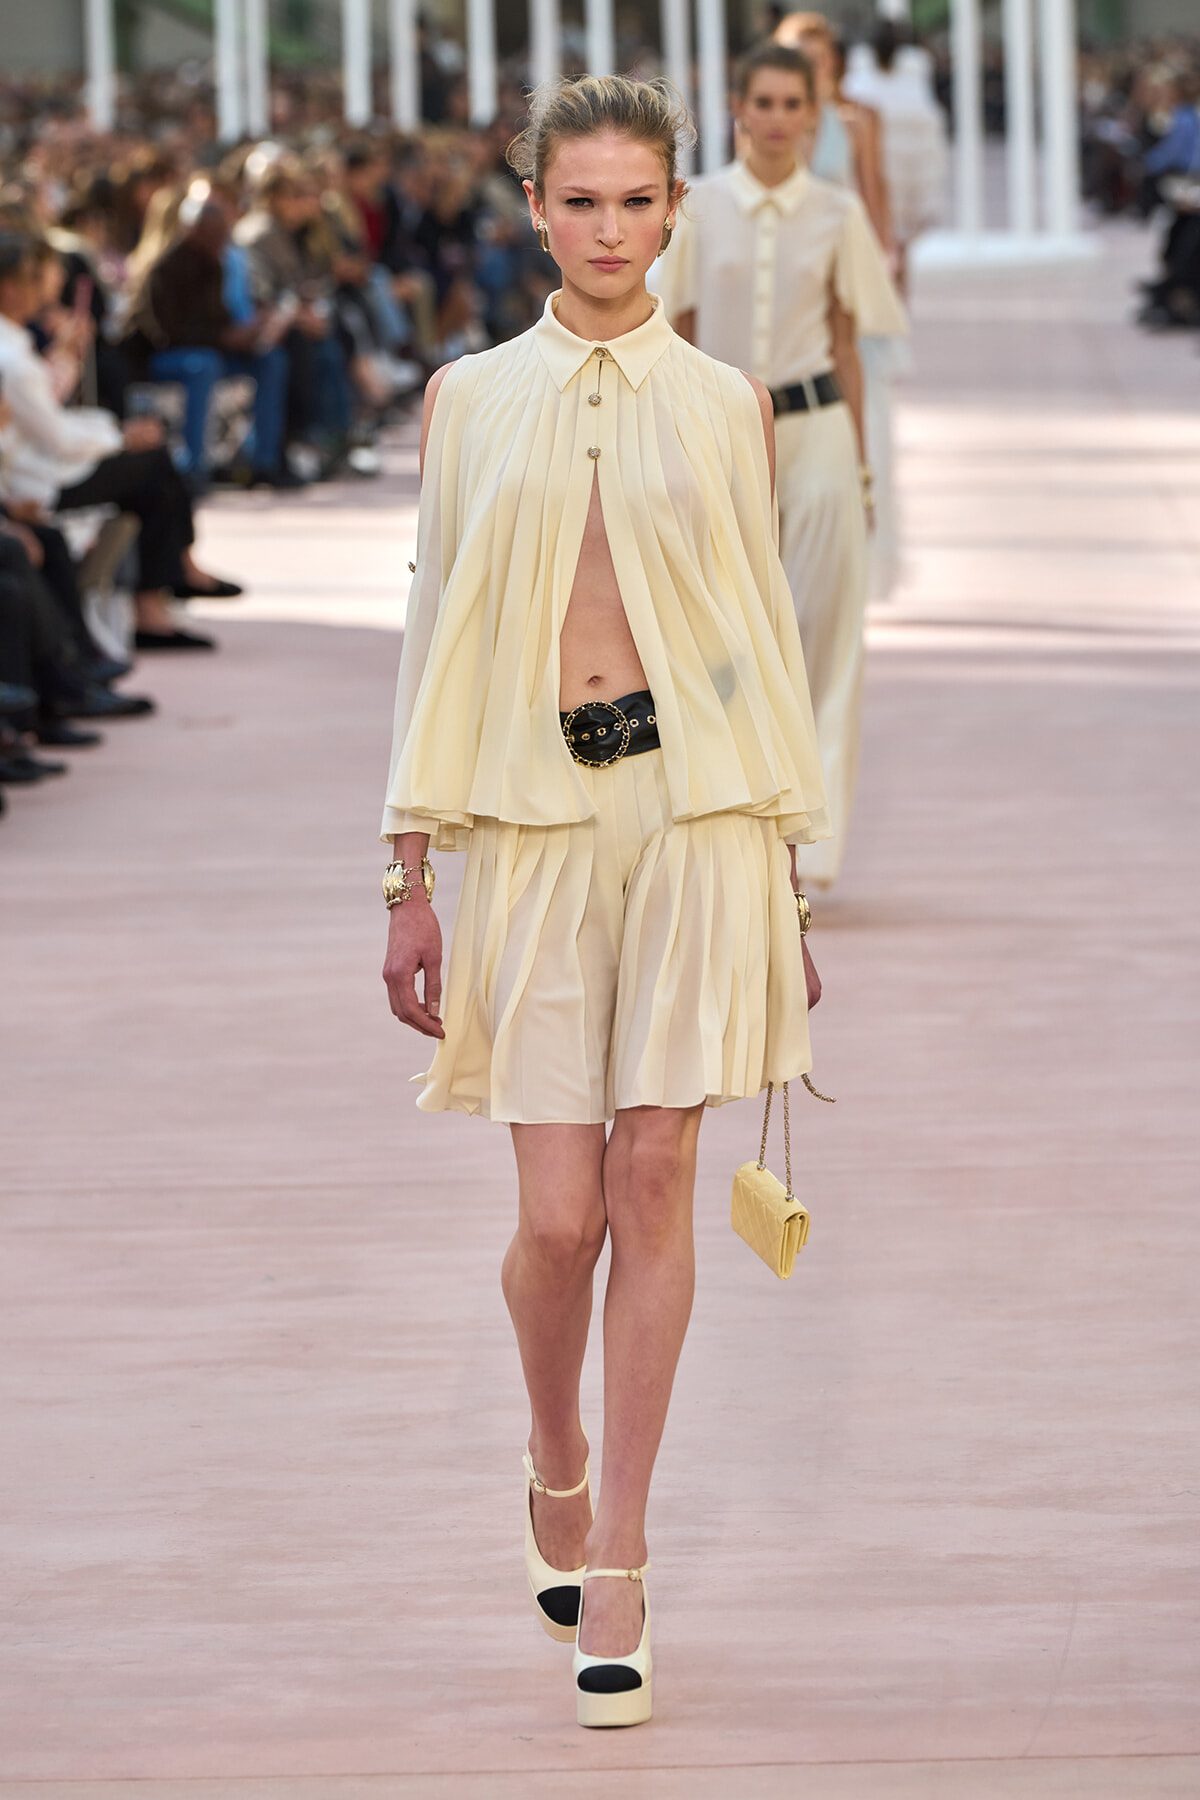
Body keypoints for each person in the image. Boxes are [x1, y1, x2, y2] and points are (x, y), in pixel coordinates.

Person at [380, 75, 828, 1730]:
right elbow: (430, 631)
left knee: (655, 1178)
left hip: (696, 814)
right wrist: (407, 874)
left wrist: (787, 876)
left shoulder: (725, 404)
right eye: (582, 200)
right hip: (530, 820)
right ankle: (554, 1450)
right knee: (559, 1219)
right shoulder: (467, 400)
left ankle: (623, 1554)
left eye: (639, 201)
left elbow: (752, 641)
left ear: (674, 209)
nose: (612, 229)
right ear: (534, 209)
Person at [654, 43, 905, 890]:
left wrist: (862, 470)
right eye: (761, 102)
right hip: (722, 434)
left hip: (819, 428)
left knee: (824, 635)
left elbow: (849, 341)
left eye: (790, 104)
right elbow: (676, 329)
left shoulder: (837, 213)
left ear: (811, 114)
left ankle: (814, 842)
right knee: (721, 632)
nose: (774, 118)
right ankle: (735, 822)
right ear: (739, 109)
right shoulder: (697, 209)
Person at [0, 231, 238, 650]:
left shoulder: (16, 344)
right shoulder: (11, 354)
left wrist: (68, 358)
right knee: (153, 469)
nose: (47, 287)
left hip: (43, 466)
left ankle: (159, 593)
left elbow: (44, 414)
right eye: (35, 277)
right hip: (36, 478)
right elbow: (53, 433)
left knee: (155, 468)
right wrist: (119, 436)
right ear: (9, 287)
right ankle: (156, 598)